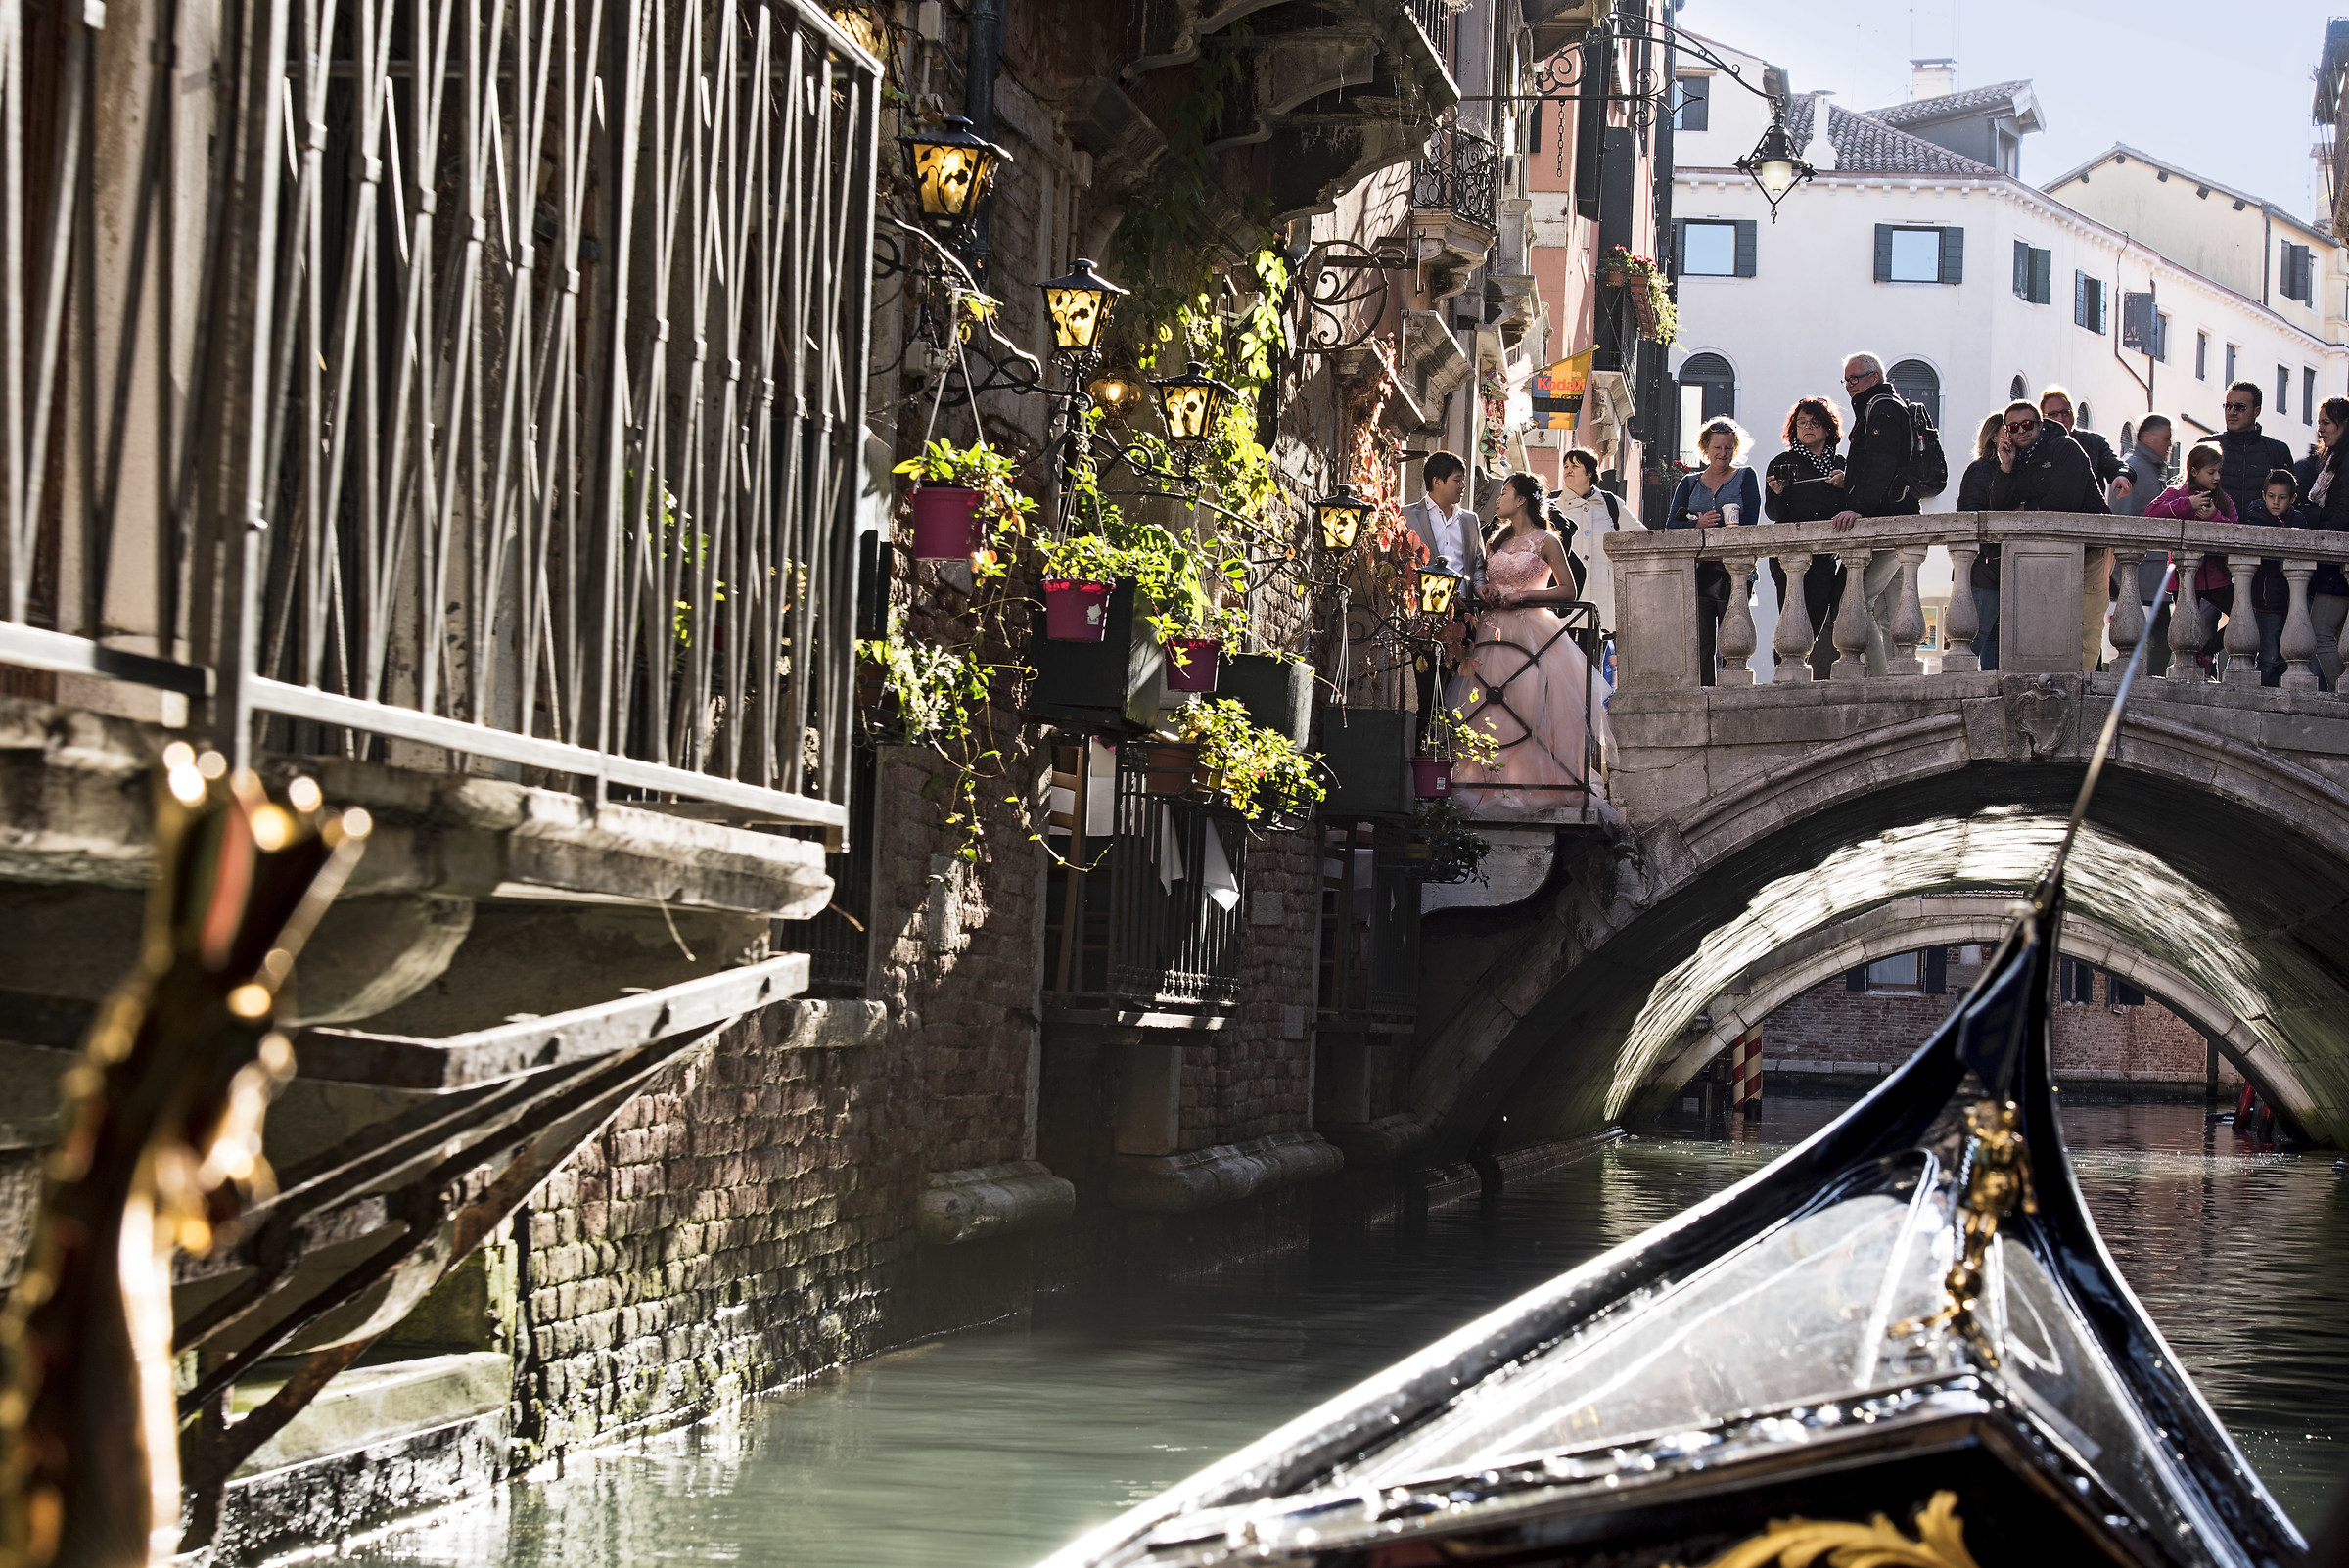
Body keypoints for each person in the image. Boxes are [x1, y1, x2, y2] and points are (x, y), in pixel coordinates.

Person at [1448, 471, 1611, 817]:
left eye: (1504, 492)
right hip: (1492, 633)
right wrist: (1486, 591)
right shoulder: (1497, 540)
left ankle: (1530, 782)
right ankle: (1490, 780)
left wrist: (1523, 596)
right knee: (1488, 703)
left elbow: (1568, 591)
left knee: (1526, 704)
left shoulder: (1547, 541)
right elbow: (1482, 579)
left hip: (1531, 631)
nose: (1498, 498)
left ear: (1521, 499)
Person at [1829, 352, 1926, 675]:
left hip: (1886, 523)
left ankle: (1880, 681)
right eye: (1846, 380)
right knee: (1890, 611)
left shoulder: (1881, 408)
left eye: (1854, 379)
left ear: (1874, 378)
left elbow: (1882, 465)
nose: (1849, 386)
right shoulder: (1883, 406)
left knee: (1855, 601)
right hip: (1900, 519)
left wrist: (1858, 507)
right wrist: (1851, 480)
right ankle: (1897, 679)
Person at [1666, 418, 1761, 686]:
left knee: (1732, 641)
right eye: (1717, 447)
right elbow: (1672, 524)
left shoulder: (1746, 477)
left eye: (1728, 448)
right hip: (1698, 572)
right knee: (1702, 642)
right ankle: (1705, 691)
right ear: (1705, 449)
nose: (1723, 453)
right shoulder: (1690, 482)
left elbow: (1751, 521)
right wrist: (1697, 524)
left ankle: (1730, 694)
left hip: (1734, 572)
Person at [2037, 387, 2125, 669]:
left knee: (2089, 619)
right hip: (2055, 546)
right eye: (2054, 414)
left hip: (2092, 544)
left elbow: (2116, 465)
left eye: (2066, 412)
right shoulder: (2037, 448)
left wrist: (2122, 476)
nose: (2062, 418)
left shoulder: (2092, 442)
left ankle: (2089, 677)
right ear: (2043, 417)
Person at [1763, 395, 1849, 679]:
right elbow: (1774, 513)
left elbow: (1852, 505)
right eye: (1801, 422)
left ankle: (1799, 676)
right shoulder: (1782, 463)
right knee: (1790, 621)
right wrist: (1777, 493)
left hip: (1825, 559)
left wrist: (1844, 485)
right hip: (1789, 559)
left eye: (1814, 422)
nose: (1807, 427)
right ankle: (1783, 678)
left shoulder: (1840, 465)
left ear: (1827, 427)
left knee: (1814, 622)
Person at [1404, 452, 1485, 737]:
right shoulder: (1407, 515)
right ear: (1436, 482)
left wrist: (1481, 587)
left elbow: (1478, 566)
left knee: (1459, 693)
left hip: (1463, 619)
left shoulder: (1470, 521)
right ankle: (1426, 753)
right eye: (1457, 480)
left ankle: (1456, 758)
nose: (1463, 486)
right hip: (1424, 618)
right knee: (1427, 690)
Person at [2144, 442, 2238, 679]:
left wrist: (2214, 516)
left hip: (2217, 577)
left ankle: (2206, 654)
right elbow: (2151, 513)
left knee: (2244, 614)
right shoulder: (2176, 494)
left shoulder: (2224, 500)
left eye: (2219, 471)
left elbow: (2236, 532)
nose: (2217, 477)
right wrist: (2189, 505)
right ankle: (2190, 671)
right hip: (2184, 578)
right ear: (2194, 471)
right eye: (2211, 472)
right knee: (2186, 631)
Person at [2110, 414, 2175, 676]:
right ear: (2149, 438)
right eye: (2166, 438)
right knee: (2158, 641)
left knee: (2161, 640)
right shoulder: (2134, 469)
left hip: (2152, 575)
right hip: (2140, 575)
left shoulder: (2148, 469)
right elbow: (2120, 521)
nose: (2170, 444)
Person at [2293, 396, 2349, 690]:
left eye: (2326, 423)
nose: (2321, 430)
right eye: (2319, 424)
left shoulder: (2344, 461)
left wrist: (2308, 514)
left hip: (2336, 566)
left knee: (2321, 633)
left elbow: (2342, 516)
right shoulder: (2332, 459)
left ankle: (2343, 693)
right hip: (2330, 565)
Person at [2241, 469, 2310, 685]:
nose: (2275, 503)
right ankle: (2265, 689)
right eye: (2271, 496)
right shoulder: (2255, 518)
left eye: (2282, 498)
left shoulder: (2297, 520)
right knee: (2268, 653)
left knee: (2286, 654)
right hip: (2265, 598)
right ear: (2263, 495)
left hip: (2290, 598)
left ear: (2293, 499)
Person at [1547, 447, 1624, 627]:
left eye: (1575, 465)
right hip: (1561, 598)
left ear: (1590, 472)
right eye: (1566, 465)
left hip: (1600, 597)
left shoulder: (1610, 504)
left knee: (1592, 652)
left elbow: (1639, 537)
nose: (1568, 470)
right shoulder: (1550, 505)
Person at [1955, 413, 2004, 669]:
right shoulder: (1981, 469)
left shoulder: (2008, 469)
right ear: (1994, 436)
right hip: (1983, 569)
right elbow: (1967, 516)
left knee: (1995, 647)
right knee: (1974, 640)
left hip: (1998, 570)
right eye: (2008, 428)